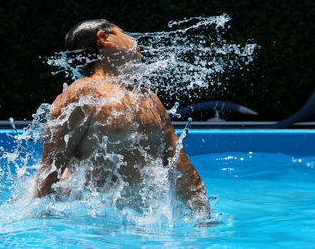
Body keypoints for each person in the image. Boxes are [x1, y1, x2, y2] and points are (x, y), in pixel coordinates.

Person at [34, 19, 209, 214]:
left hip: (141, 222)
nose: (133, 40)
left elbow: (181, 168)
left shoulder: (148, 98)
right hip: (88, 223)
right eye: (124, 33)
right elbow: (49, 170)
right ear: (104, 37)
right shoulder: (81, 93)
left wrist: (203, 219)